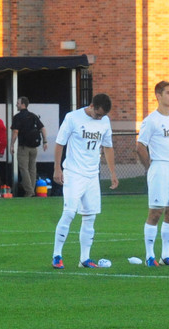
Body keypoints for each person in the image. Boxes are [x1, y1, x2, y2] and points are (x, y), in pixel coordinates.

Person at [51, 93, 118, 269]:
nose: (99, 118)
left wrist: (113, 172)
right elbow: (60, 143)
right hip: (73, 173)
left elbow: (108, 147)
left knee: (90, 216)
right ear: (91, 106)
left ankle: (84, 259)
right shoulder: (72, 118)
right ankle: (57, 255)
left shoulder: (105, 122)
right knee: (69, 213)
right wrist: (57, 168)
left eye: (102, 116)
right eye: (98, 114)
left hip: (92, 175)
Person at [136, 81, 169, 267]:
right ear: (158, 95)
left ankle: (166, 255)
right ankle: (149, 256)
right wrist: (150, 167)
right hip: (160, 168)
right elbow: (140, 146)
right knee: (155, 212)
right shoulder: (151, 120)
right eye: (168, 93)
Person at [10, 97, 48, 197]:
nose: (16, 105)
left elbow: (15, 131)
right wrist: (45, 141)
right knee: (32, 168)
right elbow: (43, 129)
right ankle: (32, 190)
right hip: (34, 147)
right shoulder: (34, 116)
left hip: (23, 147)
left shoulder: (18, 117)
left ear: (22, 104)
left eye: (17, 103)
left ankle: (29, 191)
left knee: (24, 168)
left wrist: (11, 144)